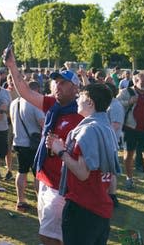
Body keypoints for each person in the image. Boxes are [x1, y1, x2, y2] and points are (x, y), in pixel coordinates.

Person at [4, 48, 83, 245]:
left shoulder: (82, 114)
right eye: (56, 82)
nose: (58, 86)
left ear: (76, 88)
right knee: (50, 233)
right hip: (45, 180)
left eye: (64, 83)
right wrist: (12, 67)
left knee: (49, 237)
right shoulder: (53, 105)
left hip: (62, 186)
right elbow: (24, 91)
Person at [47, 83, 120, 245]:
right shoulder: (105, 127)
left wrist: (60, 151)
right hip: (100, 206)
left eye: (81, 96)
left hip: (84, 207)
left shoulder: (88, 131)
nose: (77, 99)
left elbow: (82, 173)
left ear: (90, 103)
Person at [118, 70, 144, 191]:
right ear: (136, 80)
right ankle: (129, 179)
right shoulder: (126, 92)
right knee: (129, 155)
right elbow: (115, 104)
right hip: (130, 129)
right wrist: (128, 102)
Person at [9, 81, 45, 211]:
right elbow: (43, 124)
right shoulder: (34, 104)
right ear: (36, 91)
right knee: (38, 174)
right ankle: (40, 201)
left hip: (18, 142)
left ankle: (20, 200)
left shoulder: (14, 103)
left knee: (21, 171)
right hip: (32, 144)